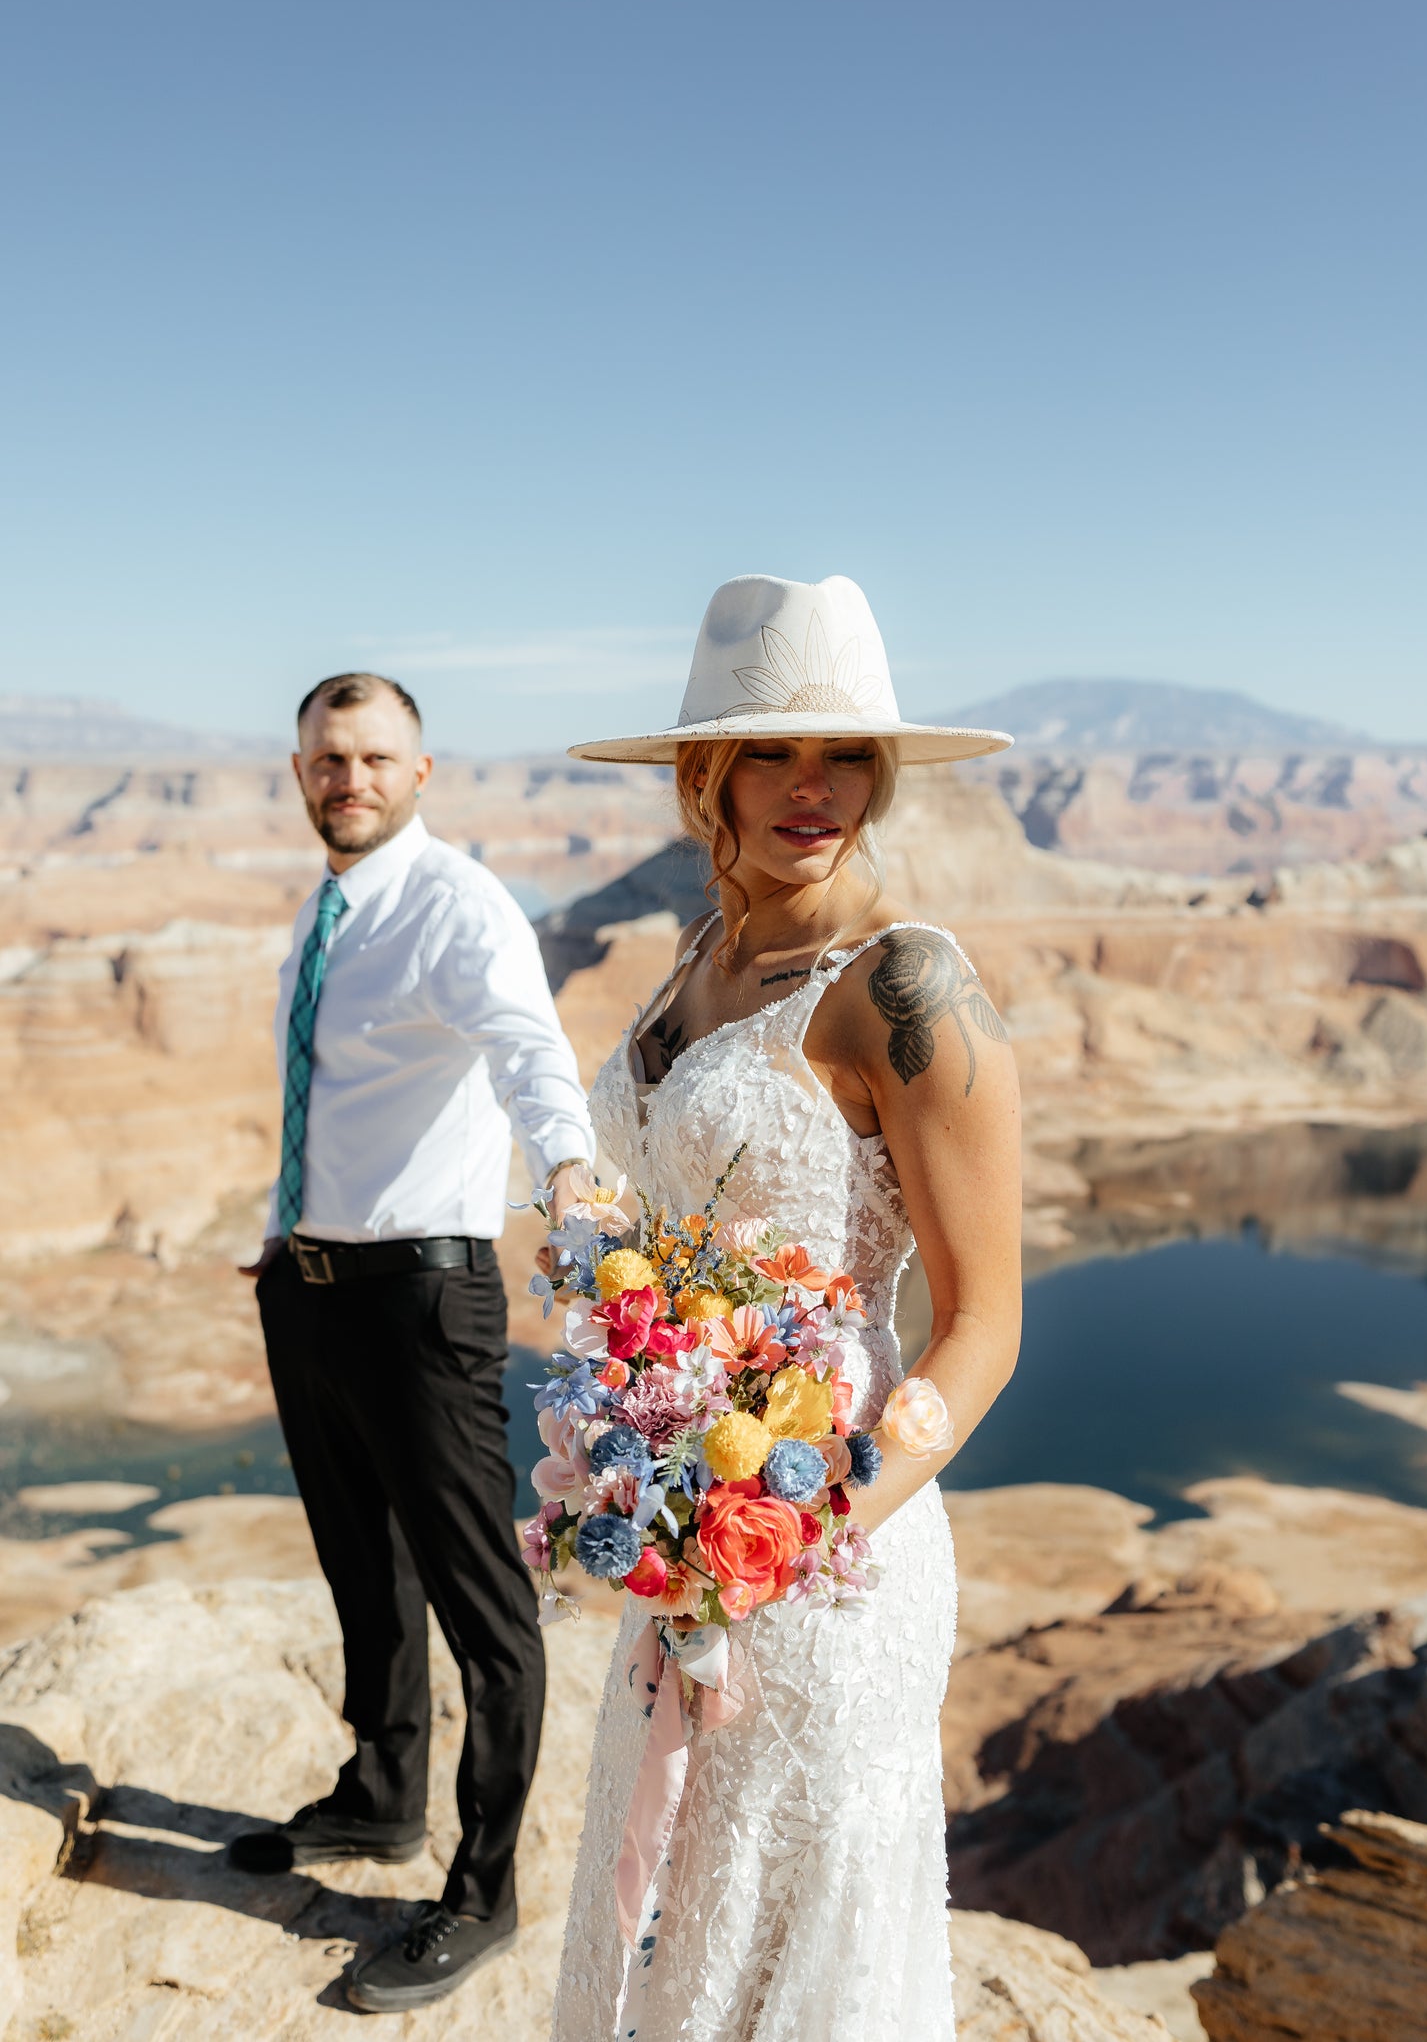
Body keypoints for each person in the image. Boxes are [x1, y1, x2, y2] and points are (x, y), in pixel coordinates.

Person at [548, 575, 1022, 2042]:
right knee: (679, 1906)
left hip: (827, 1567)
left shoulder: (907, 984)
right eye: (771, 752)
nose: (811, 790)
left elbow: (985, 1323)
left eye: (842, 756)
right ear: (707, 772)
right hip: (694, 1528)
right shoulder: (702, 952)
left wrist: (809, 1525)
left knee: (790, 1922)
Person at [229, 671, 597, 2015]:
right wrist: (283, 1232)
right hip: (312, 1286)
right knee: (358, 1556)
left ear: (422, 772)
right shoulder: (324, 915)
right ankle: (381, 1791)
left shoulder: (457, 907)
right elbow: (320, 1098)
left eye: (377, 758)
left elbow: (527, 1050)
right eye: (329, 760)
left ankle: (481, 1890)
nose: (352, 780)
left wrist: (566, 1177)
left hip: (421, 1300)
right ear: (299, 772)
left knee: (478, 1604)